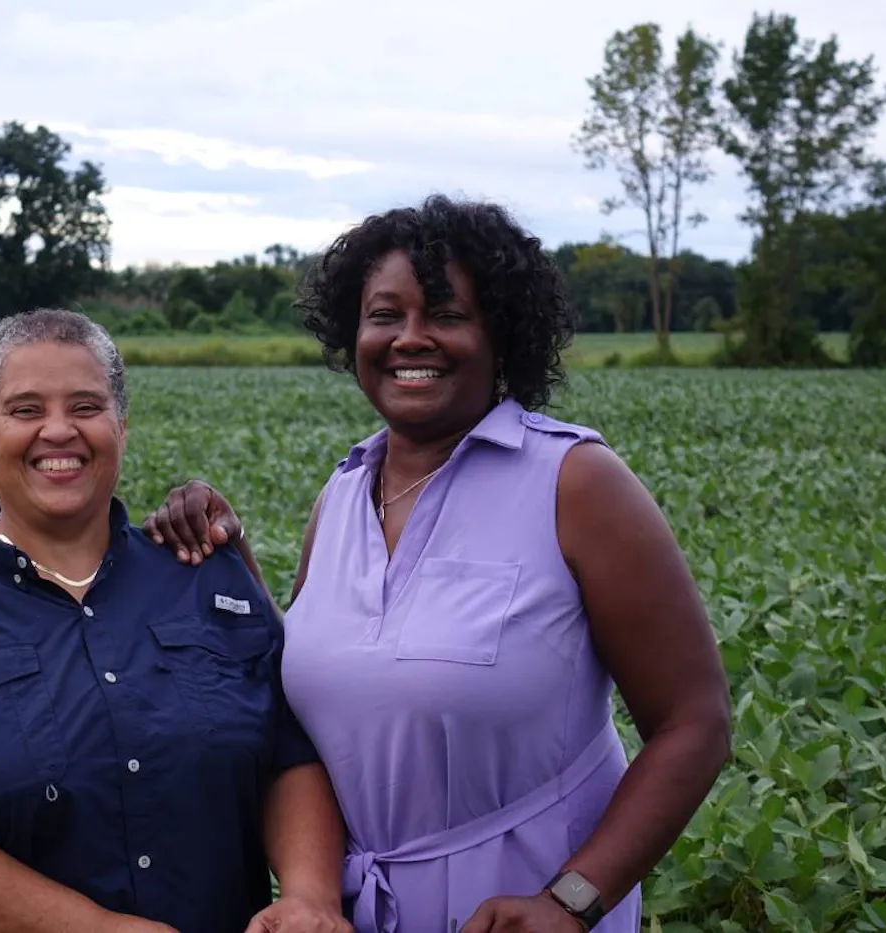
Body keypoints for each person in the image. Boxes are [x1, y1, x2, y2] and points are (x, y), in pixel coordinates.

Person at [143, 195, 732, 933]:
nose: (410, 339)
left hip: (525, 914)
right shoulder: (343, 493)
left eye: (447, 315)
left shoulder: (575, 481)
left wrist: (572, 901)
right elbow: (321, 693)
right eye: (384, 315)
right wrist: (227, 559)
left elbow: (694, 721)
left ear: (501, 335)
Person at [0, 308, 352, 933]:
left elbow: (288, 753)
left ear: (121, 426)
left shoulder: (204, 575)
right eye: (24, 410)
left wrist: (310, 897)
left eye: (86, 406)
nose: (58, 431)